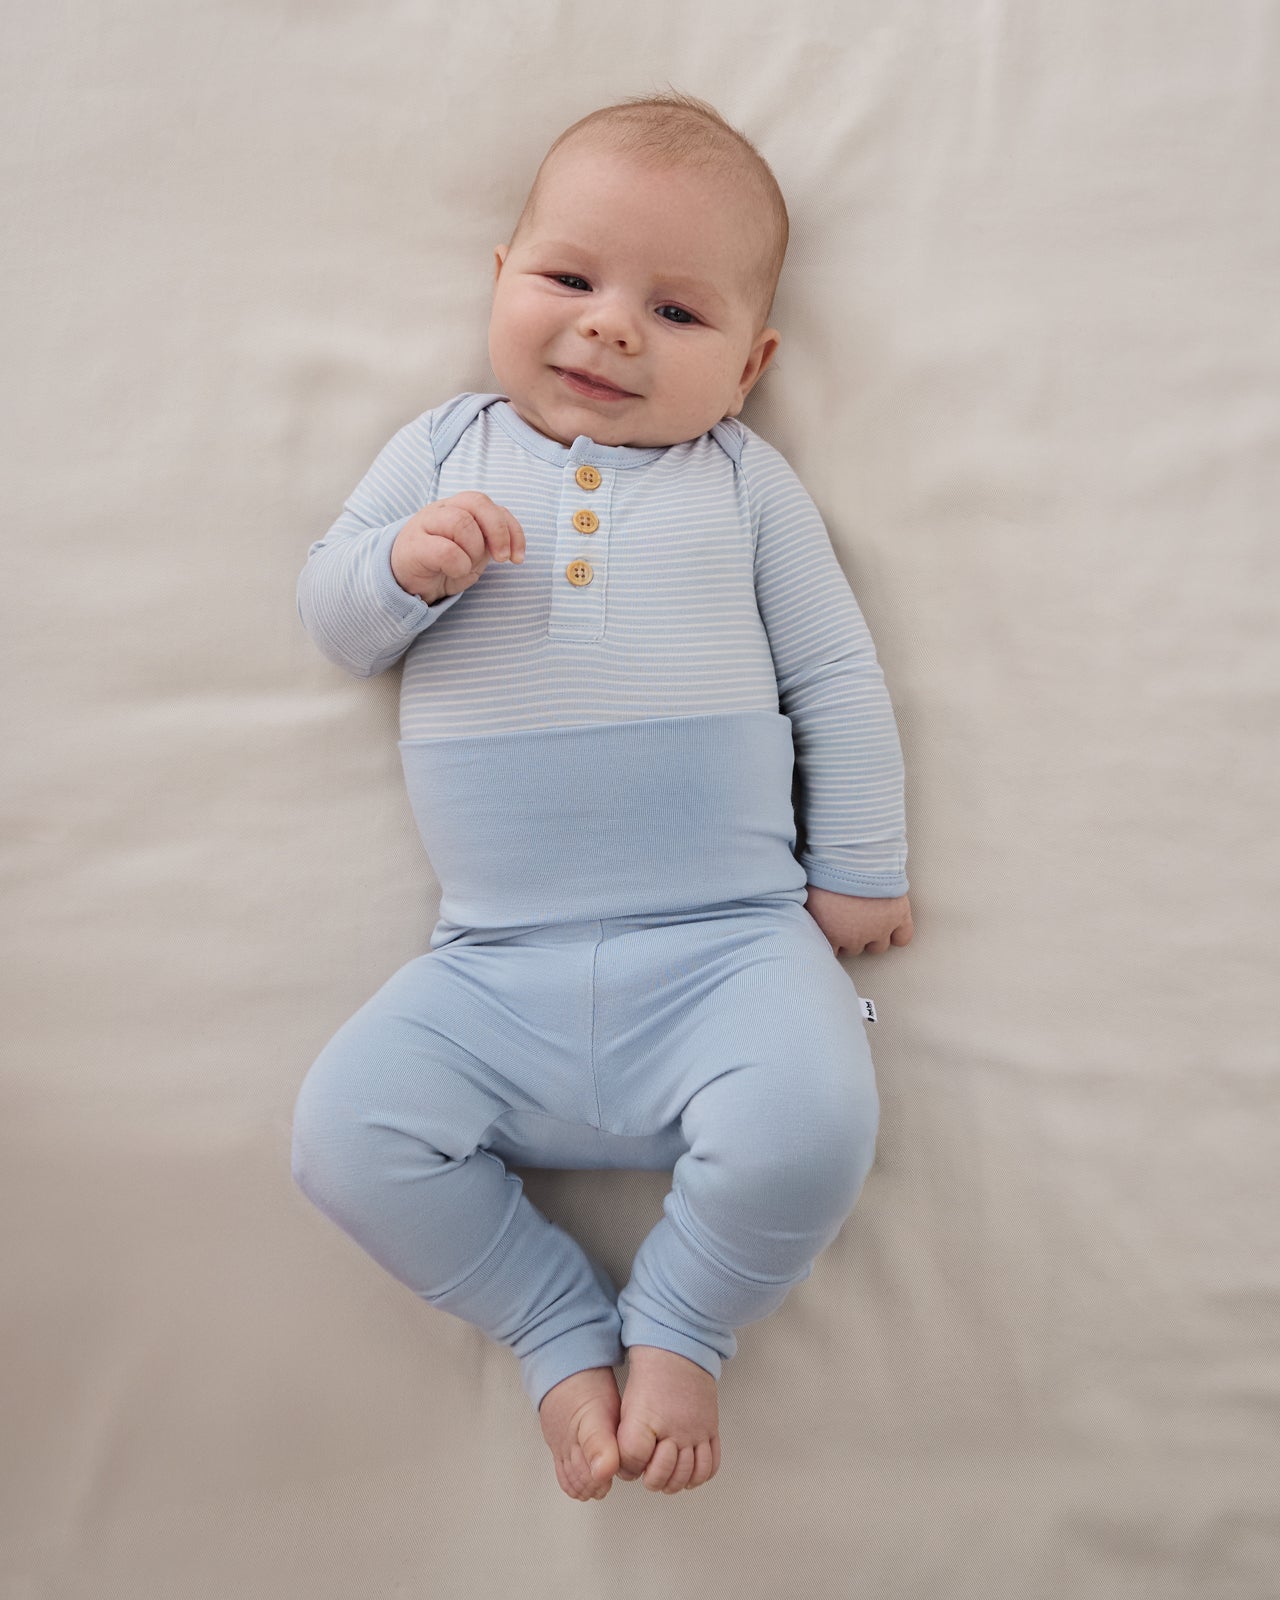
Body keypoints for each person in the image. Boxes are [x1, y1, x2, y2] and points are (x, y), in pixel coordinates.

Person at [290, 90, 913, 1502]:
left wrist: (860, 864)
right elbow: (332, 618)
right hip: (492, 963)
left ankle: (682, 1322)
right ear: (498, 284)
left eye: (676, 314)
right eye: (570, 280)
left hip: (731, 947)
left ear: (749, 366)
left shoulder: (747, 487)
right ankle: (555, 1325)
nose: (612, 325)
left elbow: (837, 676)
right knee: (341, 1137)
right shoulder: (443, 453)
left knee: (818, 1124)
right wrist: (400, 569)